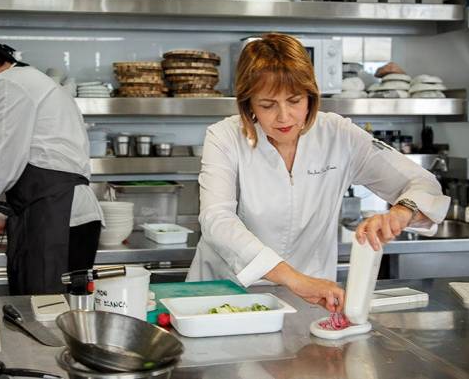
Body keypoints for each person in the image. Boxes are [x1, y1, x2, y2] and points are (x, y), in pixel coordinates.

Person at [187, 33, 449, 312]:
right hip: (226, 296)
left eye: (295, 100)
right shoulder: (224, 137)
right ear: (248, 103)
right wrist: (293, 278)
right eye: (267, 105)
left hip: (310, 299)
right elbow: (217, 219)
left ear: (311, 96)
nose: (284, 117)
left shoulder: (338, 134)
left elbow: (423, 183)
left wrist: (401, 211)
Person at [0, 36, 103, 295]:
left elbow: (1, 159)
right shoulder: (32, 81)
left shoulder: (8, 84)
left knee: (44, 312)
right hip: (66, 212)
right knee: (62, 312)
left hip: (56, 213)